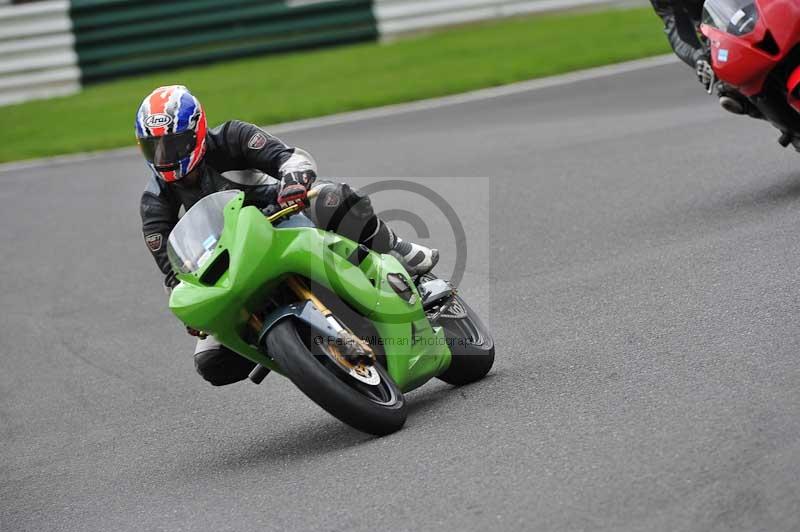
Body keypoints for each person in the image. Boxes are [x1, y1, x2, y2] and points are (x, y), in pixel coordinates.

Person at [137, 85, 438, 386]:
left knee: (333, 198)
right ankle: (294, 353)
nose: (164, 157)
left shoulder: (232, 137)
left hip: (283, 218)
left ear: (197, 132)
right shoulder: (154, 203)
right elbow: (174, 273)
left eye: (173, 145)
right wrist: (191, 315)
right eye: (155, 148)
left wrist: (294, 182)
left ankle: (397, 250)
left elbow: (290, 158)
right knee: (212, 361)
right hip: (231, 264)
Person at [649, 0, 761, 117]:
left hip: (762, 11)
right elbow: (676, 28)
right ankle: (777, 120)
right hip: (723, 34)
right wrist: (699, 57)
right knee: (729, 89)